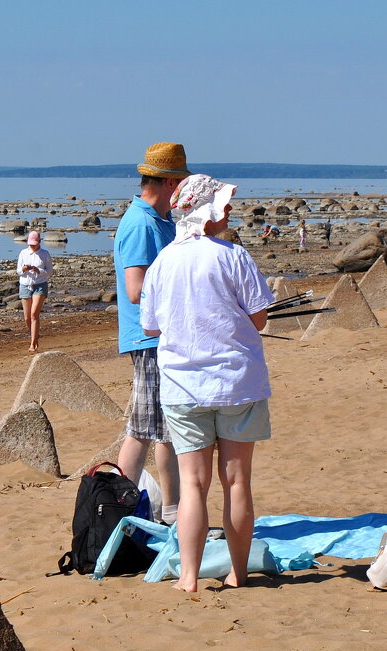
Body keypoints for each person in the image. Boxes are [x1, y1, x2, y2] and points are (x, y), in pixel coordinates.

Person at [139, 174, 275, 592]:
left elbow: (151, 326)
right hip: (237, 382)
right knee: (237, 482)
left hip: (183, 387)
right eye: (223, 205)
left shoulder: (163, 262)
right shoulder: (234, 256)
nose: (229, 210)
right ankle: (238, 572)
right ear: (206, 212)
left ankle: (189, 577)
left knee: (192, 484)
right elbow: (259, 318)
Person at [114, 142, 189, 522]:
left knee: (161, 424)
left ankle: (170, 509)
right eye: (177, 182)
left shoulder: (162, 220)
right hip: (148, 337)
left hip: (162, 335)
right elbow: (134, 288)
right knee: (146, 425)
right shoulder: (141, 222)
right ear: (162, 182)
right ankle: (121, 508)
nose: (180, 190)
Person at [17, 230, 52, 352]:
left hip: (40, 285)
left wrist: (39, 270)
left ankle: (33, 344)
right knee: (27, 317)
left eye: (34, 243)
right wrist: (24, 269)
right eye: (30, 243)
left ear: (39, 242)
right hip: (25, 285)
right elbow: (18, 271)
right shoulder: (23, 253)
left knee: (34, 314)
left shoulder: (45, 254)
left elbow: (49, 272)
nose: (32, 246)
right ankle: (34, 335)